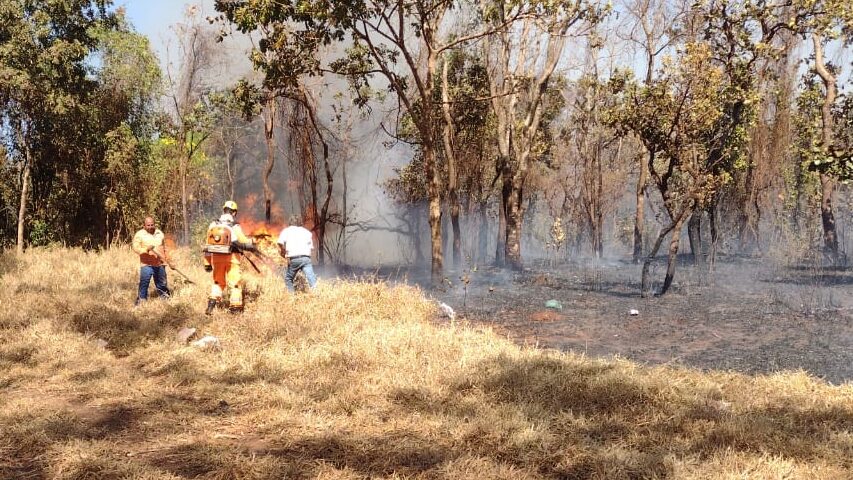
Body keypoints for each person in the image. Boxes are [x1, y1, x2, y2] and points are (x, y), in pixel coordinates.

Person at [203, 201, 256, 314]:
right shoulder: (234, 225)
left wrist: (207, 263)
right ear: (234, 212)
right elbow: (243, 241)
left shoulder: (213, 225)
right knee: (235, 283)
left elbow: (207, 245)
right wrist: (252, 242)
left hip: (217, 258)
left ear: (224, 210)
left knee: (218, 282)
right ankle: (235, 309)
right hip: (232, 259)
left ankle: (211, 306)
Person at [132, 216, 170, 305]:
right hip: (146, 264)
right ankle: (141, 302)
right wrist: (146, 249)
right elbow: (135, 248)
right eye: (148, 225)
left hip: (159, 263)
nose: (150, 227)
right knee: (144, 283)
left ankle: (165, 300)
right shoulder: (139, 234)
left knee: (162, 284)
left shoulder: (159, 233)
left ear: (154, 224)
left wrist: (168, 259)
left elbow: (164, 248)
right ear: (144, 225)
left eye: (152, 225)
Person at [277, 214, 317, 292]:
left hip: (294, 259)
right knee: (311, 279)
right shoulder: (307, 232)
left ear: (290, 222)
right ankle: (317, 295)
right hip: (306, 258)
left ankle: (292, 298)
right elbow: (311, 248)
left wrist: (283, 251)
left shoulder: (287, 230)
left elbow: (279, 242)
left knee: (288, 279)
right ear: (300, 222)